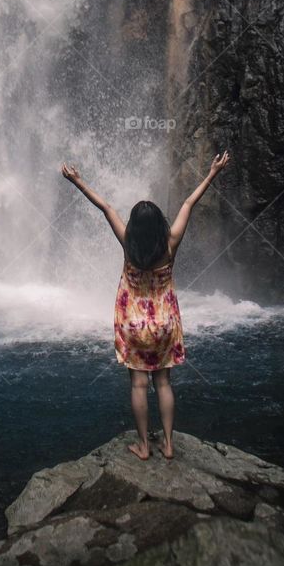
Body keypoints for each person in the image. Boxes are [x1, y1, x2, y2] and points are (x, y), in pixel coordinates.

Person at [61, 152, 231, 461]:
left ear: (136, 228)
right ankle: (167, 444)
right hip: (164, 323)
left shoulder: (128, 242)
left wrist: (76, 181)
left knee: (139, 385)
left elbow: (106, 207)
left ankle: (143, 446)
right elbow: (188, 204)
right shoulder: (170, 243)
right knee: (163, 382)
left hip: (134, 324)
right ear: (158, 226)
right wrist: (213, 172)